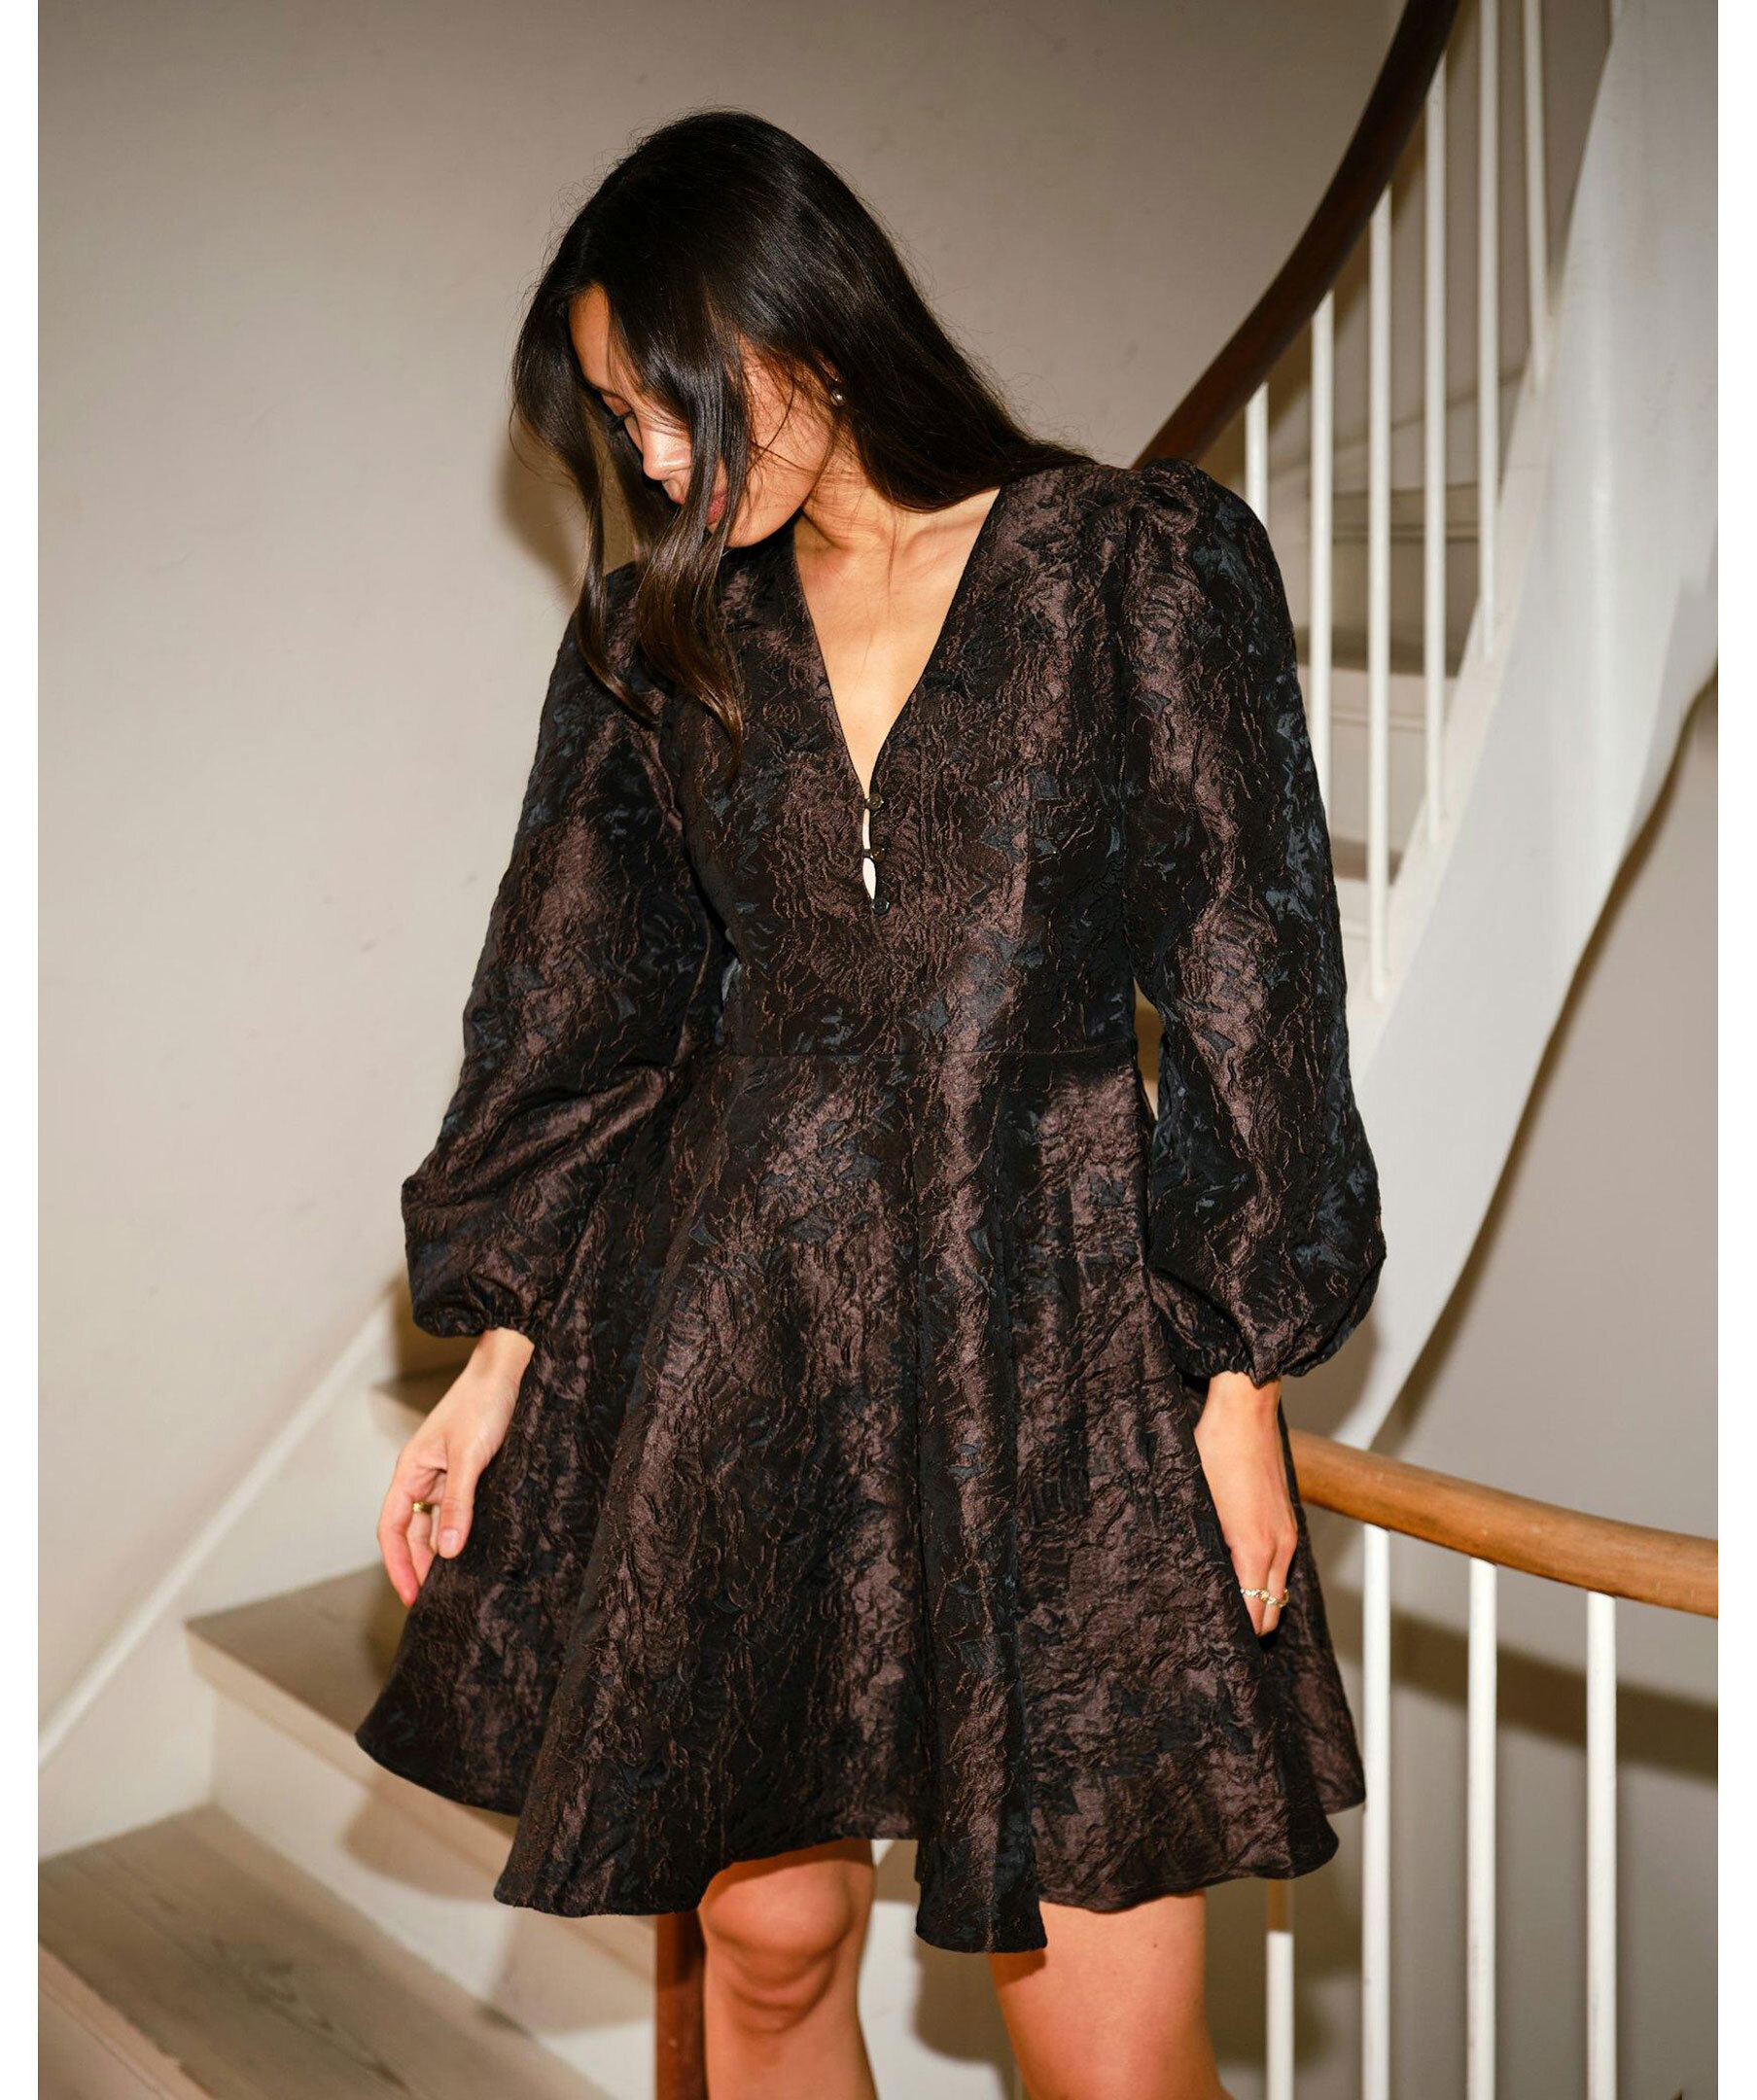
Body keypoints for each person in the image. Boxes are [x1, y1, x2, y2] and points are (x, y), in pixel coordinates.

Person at [355, 108, 1386, 2100]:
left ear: (789, 318)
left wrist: (1240, 1381)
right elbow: (577, 1017)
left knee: (1106, 2041)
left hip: (1065, 1345)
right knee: (762, 1956)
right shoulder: (655, 643)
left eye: (659, 402)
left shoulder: (1136, 565)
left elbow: (1253, 979)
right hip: (759, 1334)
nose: (653, 462)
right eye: (615, 426)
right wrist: (495, 1359)